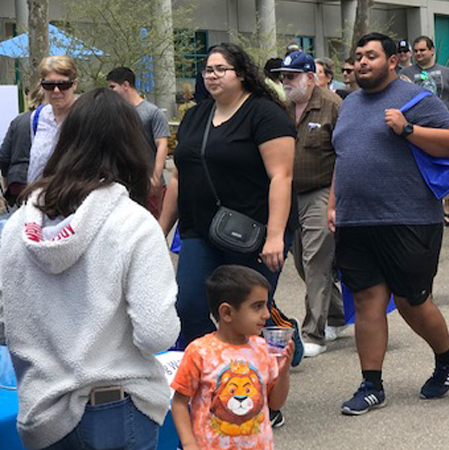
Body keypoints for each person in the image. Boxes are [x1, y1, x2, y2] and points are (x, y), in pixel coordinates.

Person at [0, 88, 180, 450]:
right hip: (116, 411)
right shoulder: (133, 224)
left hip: (40, 411)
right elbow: (157, 334)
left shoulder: (17, 225)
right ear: (133, 146)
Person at [329, 32, 449, 414]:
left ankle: (446, 356)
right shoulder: (349, 103)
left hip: (409, 218)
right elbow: (344, 157)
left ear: (392, 61)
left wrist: (408, 129)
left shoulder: (417, 98)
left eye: (371, 56)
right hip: (356, 220)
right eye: (358, 56)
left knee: (412, 302)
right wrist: (333, 203)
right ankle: (371, 384)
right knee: (367, 300)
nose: (362, 62)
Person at [158, 42, 295, 351]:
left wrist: (275, 235)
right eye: (208, 70)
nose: (212, 76)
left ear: (242, 74)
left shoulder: (265, 114)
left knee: (246, 313)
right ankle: (213, 369)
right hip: (200, 229)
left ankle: (276, 346)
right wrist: (160, 230)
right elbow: (179, 176)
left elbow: (281, 176)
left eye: (221, 69)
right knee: (189, 306)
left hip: (254, 228)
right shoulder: (196, 116)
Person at [171, 265, 293, 450]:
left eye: (266, 306)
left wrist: (283, 372)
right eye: (257, 306)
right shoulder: (199, 352)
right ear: (227, 312)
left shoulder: (263, 348)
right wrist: (189, 444)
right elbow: (179, 402)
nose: (266, 315)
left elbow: (275, 403)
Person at [274, 51, 346, 357]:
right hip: (290, 192)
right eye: (283, 77)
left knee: (316, 260)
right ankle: (337, 315)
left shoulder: (333, 105)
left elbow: (345, 157)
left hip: (322, 190)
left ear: (311, 78)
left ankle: (313, 331)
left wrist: (334, 200)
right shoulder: (282, 108)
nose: (286, 82)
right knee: (304, 262)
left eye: (292, 76)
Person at [107, 67, 171, 218]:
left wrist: (155, 177)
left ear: (126, 85)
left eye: (112, 87)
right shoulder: (115, 113)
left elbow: (162, 144)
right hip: (122, 184)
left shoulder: (152, 112)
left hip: (148, 184)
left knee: (152, 228)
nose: (110, 92)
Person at [27, 55, 78, 183]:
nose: (56, 91)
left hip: (71, 195)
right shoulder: (38, 117)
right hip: (38, 196)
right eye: (49, 85)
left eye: (63, 85)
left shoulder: (85, 115)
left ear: (74, 85)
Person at [0, 89, 44, 207]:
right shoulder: (52, 122)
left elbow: (4, 156)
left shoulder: (18, 121)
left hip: (17, 181)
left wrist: (6, 183)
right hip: (43, 182)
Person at [400, 36, 449, 106]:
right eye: (416, 51)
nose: (418, 53)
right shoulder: (404, 73)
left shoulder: (448, 73)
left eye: (422, 50)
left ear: (432, 51)